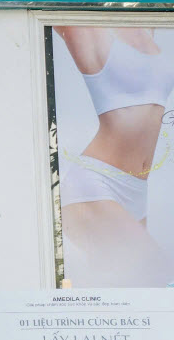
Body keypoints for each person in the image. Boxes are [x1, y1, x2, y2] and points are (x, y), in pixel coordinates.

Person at [54, 26, 174, 286]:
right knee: (161, 277)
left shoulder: (148, 24)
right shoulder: (91, 27)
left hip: (137, 191)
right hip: (94, 186)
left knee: (133, 289)